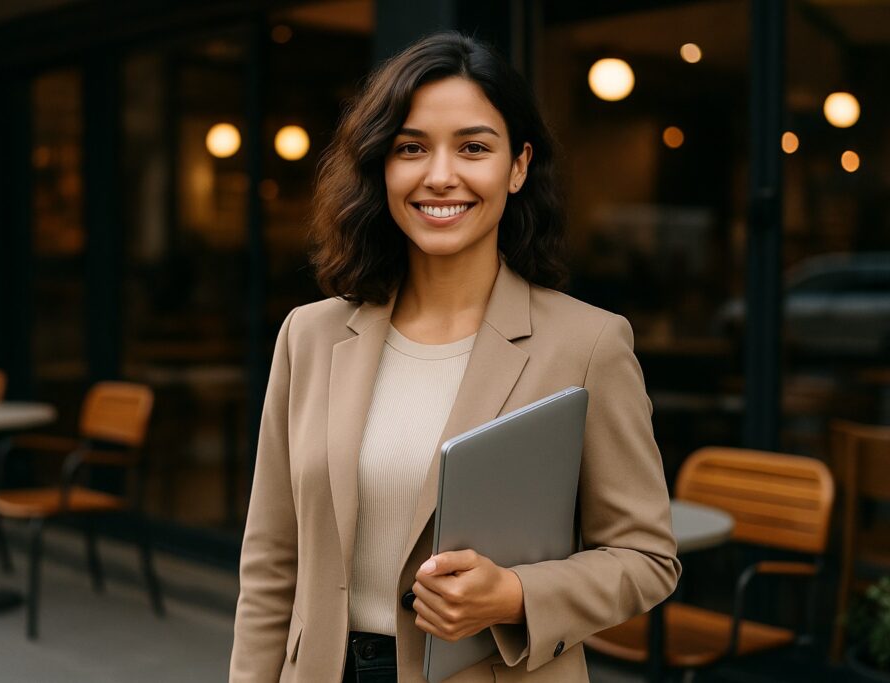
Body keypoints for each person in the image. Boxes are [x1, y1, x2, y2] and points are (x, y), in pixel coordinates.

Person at [230, 31, 679, 683]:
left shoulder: (588, 344)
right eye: (411, 147)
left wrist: (517, 595)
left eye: (473, 147)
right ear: (382, 165)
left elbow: (646, 557)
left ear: (518, 166)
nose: (440, 175)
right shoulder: (311, 335)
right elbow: (271, 562)